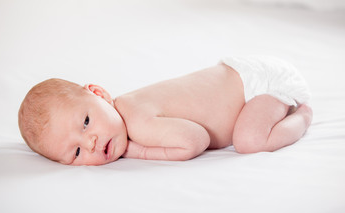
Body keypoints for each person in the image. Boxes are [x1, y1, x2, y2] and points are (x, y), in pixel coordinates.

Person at [18, 56, 313, 166]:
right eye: (77, 153)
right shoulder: (125, 110)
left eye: (85, 122)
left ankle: (301, 116)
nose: (91, 142)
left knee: (250, 141)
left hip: (258, 86)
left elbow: (195, 140)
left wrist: (141, 152)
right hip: (239, 75)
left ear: (100, 95)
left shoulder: (138, 121)